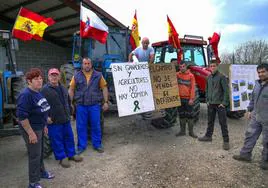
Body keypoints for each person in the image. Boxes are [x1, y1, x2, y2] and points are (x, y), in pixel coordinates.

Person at [16, 68, 54, 188]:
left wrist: (44, 125)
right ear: (29, 81)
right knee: (34, 156)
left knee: (40, 152)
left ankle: (42, 172)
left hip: (39, 127)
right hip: (31, 129)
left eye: (41, 78)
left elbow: (41, 110)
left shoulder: (37, 92)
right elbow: (22, 117)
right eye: (36, 79)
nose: (39, 81)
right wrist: (31, 133)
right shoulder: (26, 95)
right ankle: (33, 182)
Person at [41, 68, 83, 168]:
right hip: (54, 121)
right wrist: (46, 117)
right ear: (48, 77)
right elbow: (41, 105)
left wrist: (71, 113)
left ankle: (71, 154)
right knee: (57, 139)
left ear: (59, 77)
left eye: (56, 75)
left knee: (69, 137)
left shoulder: (63, 88)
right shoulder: (44, 90)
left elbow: (68, 101)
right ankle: (62, 157)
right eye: (52, 75)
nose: (54, 77)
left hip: (65, 118)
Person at [68, 57, 109, 154]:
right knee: (81, 126)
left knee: (96, 125)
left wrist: (106, 102)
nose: (87, 65)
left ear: (91, 64)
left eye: (88, 63)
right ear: (82, 65)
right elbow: (71, 89)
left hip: (94, 105)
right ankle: (81, 146)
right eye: (85, 63)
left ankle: (97, 144)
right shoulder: (76, 76)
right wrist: (70, 103)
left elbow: (104, 88)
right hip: (81, 105)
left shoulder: (98, 75)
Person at [233, 63, 268, 170]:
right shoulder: (257, 84)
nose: (261, 74)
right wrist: (249, 109)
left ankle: (265, 161)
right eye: (259, 72)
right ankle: (245, 155)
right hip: (256, 116)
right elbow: (253, 98)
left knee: (267, 140)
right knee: (250, 135)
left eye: (263, 72)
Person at [198, 60, 230, 150]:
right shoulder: (208, 77)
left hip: (220, 104)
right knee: (210, 121)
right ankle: (208, 136)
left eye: (214, 66)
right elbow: (207, 89)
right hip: (211, 104)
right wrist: (207, 100)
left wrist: (224, 103)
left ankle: (226, 141)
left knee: (223, 123)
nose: (212, 67)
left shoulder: (222, 77)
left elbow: (226, 91)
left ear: (217, 66)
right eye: (211, 66)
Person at [175, 62, 197, 138]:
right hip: (180, 99)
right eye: (180, 67)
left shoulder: (191, 76)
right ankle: (182, 131)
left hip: (188, 99)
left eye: (183, 66)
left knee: (190, 116)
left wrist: (191, 99)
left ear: (186, 67)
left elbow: (193, 88)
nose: (182, 68)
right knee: (181, 115)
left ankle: (191, 132)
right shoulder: (177, 75)